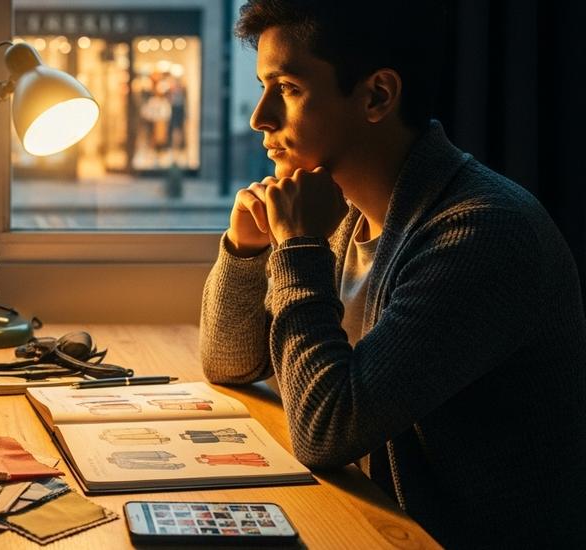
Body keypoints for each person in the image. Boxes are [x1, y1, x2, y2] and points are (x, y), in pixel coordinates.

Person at [200, 1, 586, 546]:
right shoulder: (343, 212)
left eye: (286, 88)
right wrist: (245, 250)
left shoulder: (485, 234)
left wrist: (297, 247)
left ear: (377, 95)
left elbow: (325, 433)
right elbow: (229, 362)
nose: (259, 116)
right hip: (368, 520)